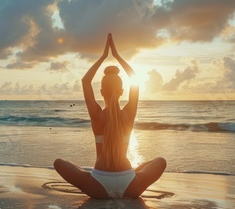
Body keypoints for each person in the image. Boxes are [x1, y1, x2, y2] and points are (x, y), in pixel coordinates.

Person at [53, 33, 166, 199]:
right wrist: (117, 56)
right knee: (160, 161)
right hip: (130, 185)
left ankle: (94, 174)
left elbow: (85, 81)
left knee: (59, 163)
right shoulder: (128, 114)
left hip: (98, 185)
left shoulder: (97, 115)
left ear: (101, 92)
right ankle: (132, 173)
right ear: (121, 91)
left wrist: (103, 57)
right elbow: (135, 80)